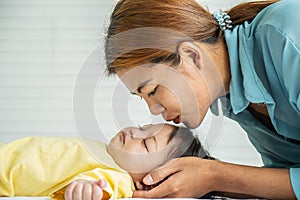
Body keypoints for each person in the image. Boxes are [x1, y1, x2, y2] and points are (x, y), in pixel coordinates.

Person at [104, 0, 300, 199]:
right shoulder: (236, 104)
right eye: (142, 97)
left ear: (191, 55)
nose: (153, 110)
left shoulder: (287, 35)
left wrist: (215, 175)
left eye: (152, 91)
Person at [0, 123, 211, 200]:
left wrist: (89, 190)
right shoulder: (107, 153)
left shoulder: (116, 177)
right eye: (142, 127)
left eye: (146, 143)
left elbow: (100, 188)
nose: (134, 132)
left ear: (149, 181)